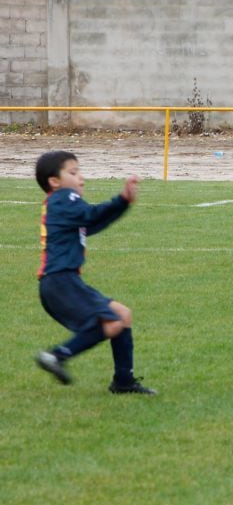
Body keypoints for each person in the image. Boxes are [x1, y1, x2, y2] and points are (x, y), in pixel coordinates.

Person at [34, 150, 156, 394]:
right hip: (61, 281)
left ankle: (123, 381)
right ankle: (57, 356)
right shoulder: (64, 197)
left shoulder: (61, 206)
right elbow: (92, 215)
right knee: (112, 323)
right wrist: (121, 198)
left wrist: (124, 202)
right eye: (73, 172)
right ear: (54, 181)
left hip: (62, 281)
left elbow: (95, 222)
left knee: (123, 314)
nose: (81, 178)